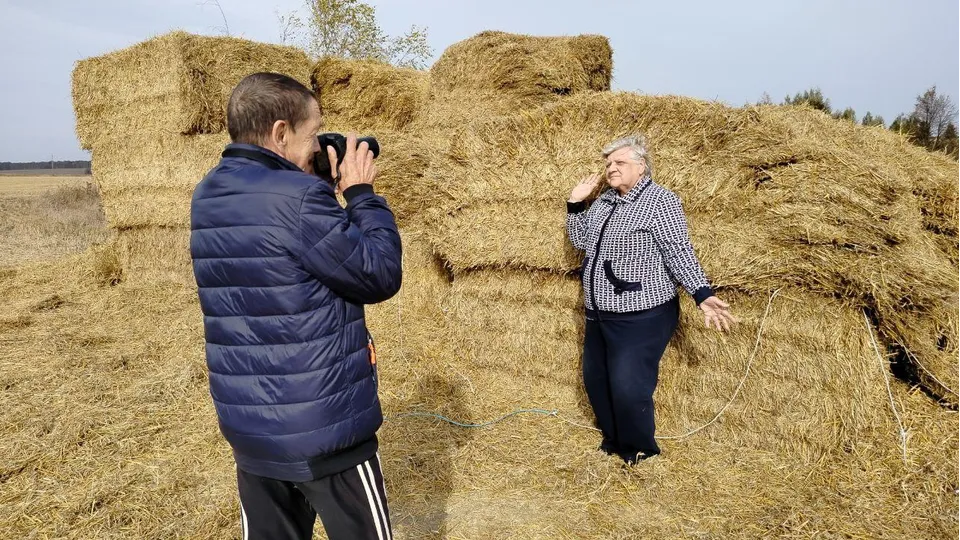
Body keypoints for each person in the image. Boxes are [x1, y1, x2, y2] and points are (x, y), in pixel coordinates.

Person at [190, 72, 402, 540]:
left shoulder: (207, 194)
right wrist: (361, 195)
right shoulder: (301, 199)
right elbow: (380, 274)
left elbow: (285, 260)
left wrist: (310, 183)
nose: (316, 146)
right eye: (312, 134)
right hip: (325, 428)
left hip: (252, 430)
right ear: (280, 132)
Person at [566, 134, 735, 464]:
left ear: (641, 166)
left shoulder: (661, 201)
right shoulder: (603, 201)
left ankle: (640, 450)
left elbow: (678, 251)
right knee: (596, 380)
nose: (611, 169)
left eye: (619, 163)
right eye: (608, 164)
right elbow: (582, 240)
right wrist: (575, 204)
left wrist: (701, 293)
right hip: (599, 312)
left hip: (642, 313)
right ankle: (614, 441)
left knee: (628, 386)